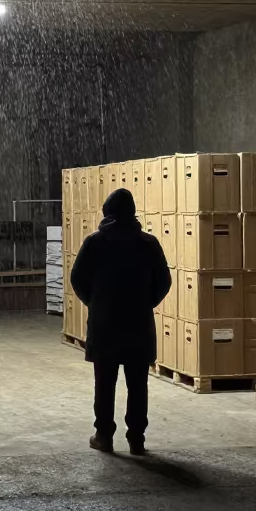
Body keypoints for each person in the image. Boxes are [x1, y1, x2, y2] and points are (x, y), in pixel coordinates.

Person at [70, 187, 171, 456]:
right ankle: (136, 438)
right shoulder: (148, 244)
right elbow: (164, 282)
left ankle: (104, 435)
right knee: (138, 384)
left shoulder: (95, 243)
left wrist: (96, 302)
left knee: (105, 383)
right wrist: (144, 303)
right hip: (139, 326)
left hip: (105, 326)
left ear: (107, 212)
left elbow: (77, 279)